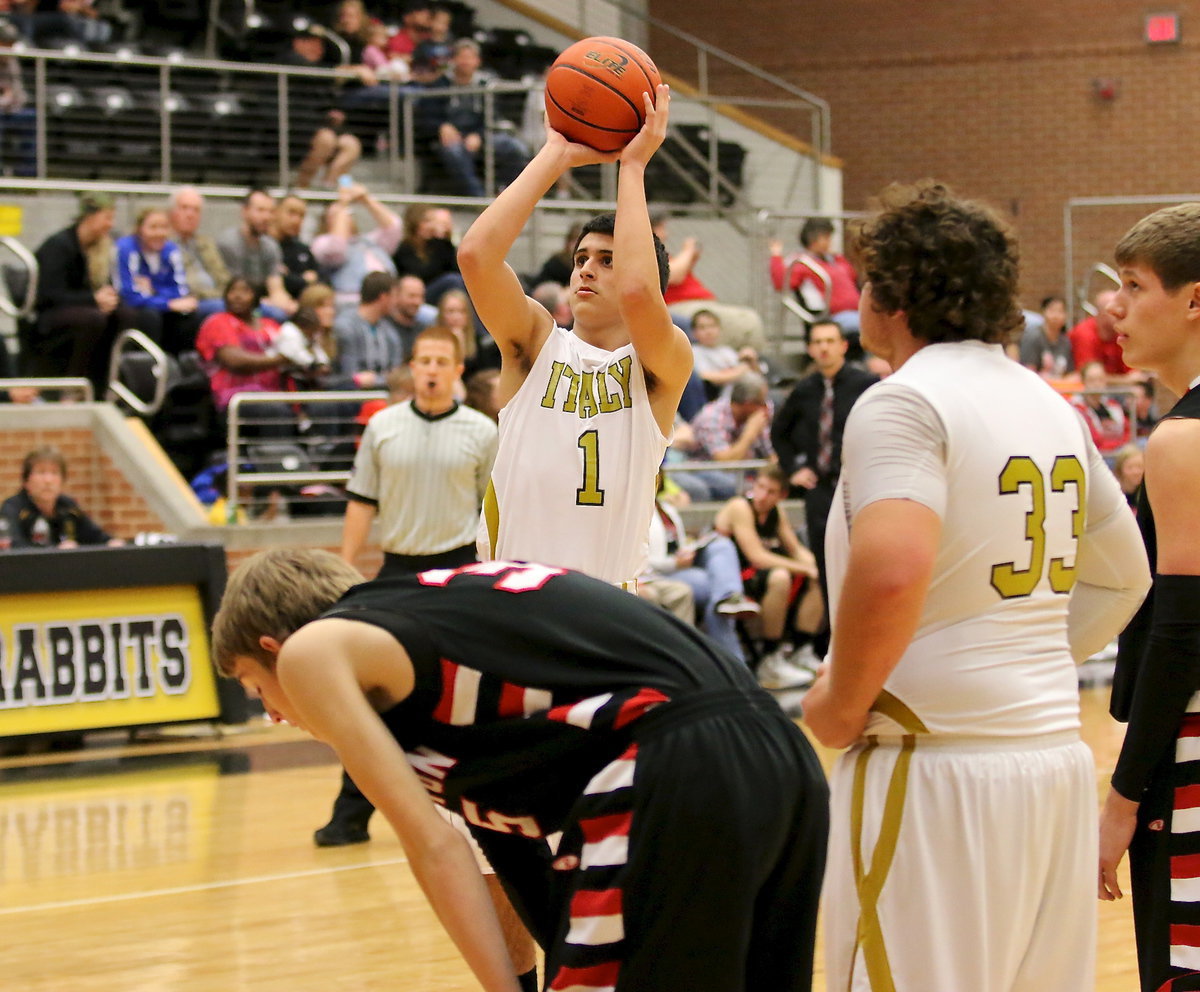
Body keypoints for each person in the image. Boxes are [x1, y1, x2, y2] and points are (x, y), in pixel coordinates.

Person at [801, 181, 1149, 992]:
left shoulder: (903, 401)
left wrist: (841, 701)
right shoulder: (1048, 403)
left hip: (932, 768)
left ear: (892, 296)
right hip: (1050, 765)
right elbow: (1125, 574)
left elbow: (893, 570)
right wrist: (1016, 663)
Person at [212, 549, 829, 992]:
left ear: (273, 648)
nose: (274, 714)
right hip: (778, 751)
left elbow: (434, 848)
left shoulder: (313, 652)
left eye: (256, 688)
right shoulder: (435, 644)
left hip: (676, 755)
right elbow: (513, 853)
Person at [459, 82, 693, 586]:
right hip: (508, 595)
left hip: (605, 608)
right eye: (581, 258)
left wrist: (633, 167)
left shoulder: (662, 362)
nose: (586, 268)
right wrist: (555, 154)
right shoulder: (535, 343)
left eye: (607, 260)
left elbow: (638, 293)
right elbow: (476, 256)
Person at [315, 325, 498, 848]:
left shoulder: (483, 432)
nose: (432, 370)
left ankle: (482, 810)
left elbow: (494, 510)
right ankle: (349, 815)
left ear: (457, 371)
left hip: (458, 573)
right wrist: (345, 569)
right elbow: (361, 502)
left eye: (442, 362)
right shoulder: (383, 427)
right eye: (424, 361)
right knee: (370, 696)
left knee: (468, 693)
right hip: (397, 572)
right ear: (412, 368)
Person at [1098, 201, 1200, 992]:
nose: (1114, 306)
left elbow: (1182, 630)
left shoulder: (1183, 439)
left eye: (1134, 285)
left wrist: (1124, 796)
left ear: (1194, 300)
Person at [770, 318, 877, 649]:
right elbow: (779, 433)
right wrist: (793, 469)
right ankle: (834, 642)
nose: (824, 348)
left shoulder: (866, 384)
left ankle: (866, 637)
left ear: (843, 346)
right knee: (826, 562)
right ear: (809, 349)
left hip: (857, 485)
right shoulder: (804, 390)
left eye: (830, 341)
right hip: (819, 487)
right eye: (817, 342)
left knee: (863, 561)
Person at [715, 464, 822, 688]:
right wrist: (805, 568)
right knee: (780, 577)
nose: (762, 496)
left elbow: (795, 549)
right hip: (730, 579)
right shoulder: (740, 506)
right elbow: (757, 557)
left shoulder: (776, 512)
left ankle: (801, 649)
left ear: (782, 496)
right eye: (760, 487)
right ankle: (769, 658)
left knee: (818, 576)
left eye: (770, 491)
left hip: (755, 575)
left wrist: (817, 567)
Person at [643, 471, 758, 662]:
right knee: (716, 591)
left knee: (721, 544)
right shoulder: (639, 511)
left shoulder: (667, 509)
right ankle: (734, 661)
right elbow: (641, 558)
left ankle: (729, 599)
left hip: (680, 566)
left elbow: (677, 544)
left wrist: (689, 548)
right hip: (658, 574)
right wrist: (673, 563)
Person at [30, 191, 128, 392]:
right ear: (90, 216)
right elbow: (49, 295)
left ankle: (109, 384)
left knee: (125, 315)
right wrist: (93, 299)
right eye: (107, 218)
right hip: (50, 314)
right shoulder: (58, 246)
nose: (110, 224)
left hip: (83, 307)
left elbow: (106, 285)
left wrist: (109, 298)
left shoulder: (100, 247)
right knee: (93, 318)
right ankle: (73, 387)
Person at [651, 213, 767, 351]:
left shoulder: (662, 253)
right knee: (746, 322)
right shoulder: (649, 252)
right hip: (679, 306)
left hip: (698, 303)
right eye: (662, 228)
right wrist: (688, 250)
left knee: (749, 318)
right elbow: (673, 275)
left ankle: (748, 359)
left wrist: (691, 259)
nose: (667, 234)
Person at [194, 276, 292, 436]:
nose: (237, 296)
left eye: (245, 291)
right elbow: (235, 361)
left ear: (257, 296)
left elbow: (295, 349)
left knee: (321, 402)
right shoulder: (218, 322)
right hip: (235, 396)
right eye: (232, 291)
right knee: (275, 409)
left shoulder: (270, 325)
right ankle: (275, 452)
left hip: (275, 391)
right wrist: (282, 359)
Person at [433, 39, 530, 197]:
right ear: (454, 60)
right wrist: (441, 125)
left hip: (481, 134)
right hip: (451, 137)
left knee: (515, 147)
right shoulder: (440, 83)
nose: (465, 62)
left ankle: (505, 192)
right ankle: (480, 199)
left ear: (477, 61)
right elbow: (428, 114)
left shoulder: (486, 84)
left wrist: (479, 135)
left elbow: (492, 116)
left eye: (469, 57)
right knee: (454, 152)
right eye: (462, 57)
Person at [113, 205, 202, 354]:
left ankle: (182, 362)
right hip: (135, 307)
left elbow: (180, 291)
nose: (159, 233)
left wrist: (154, 289)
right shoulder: (126, 248)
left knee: (188, 315)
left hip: (158, 302)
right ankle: (149, 362)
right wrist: (167, 303)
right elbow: (128, 295)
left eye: (164, 227)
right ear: (140, 229)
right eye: (153, 227)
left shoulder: (171, 250)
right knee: (151, 316)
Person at [1, 446, 124, 548]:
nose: (48, 480)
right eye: (41, 472)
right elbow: (13, 546)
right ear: (26, 481)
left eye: (54, 473)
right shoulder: (12, 508)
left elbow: (95, 536)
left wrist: (112, 543)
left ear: (62, 481)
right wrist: (56, 552)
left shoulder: (68, 506)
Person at [312, 180, 403, 311]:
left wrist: (366, 199)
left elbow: (394, 228)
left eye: (348, 214)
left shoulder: (368, 241)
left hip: (391, 302)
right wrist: (343, 204)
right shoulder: (321, 243)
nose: (345, 217)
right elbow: (336, 248)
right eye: (336, 215)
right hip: (353, 305)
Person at [688, 369, 774, 501]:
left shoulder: (756, 415)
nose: (766, 408)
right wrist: (749, 434)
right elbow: (725, 463)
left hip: (744, 470)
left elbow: (770, 454)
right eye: (761, 403)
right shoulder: (712, 417)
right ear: (748, 404)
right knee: (734, 485)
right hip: (705, 468)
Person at [769, 217, 862, 337]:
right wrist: (776, 256)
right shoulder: (803, 263)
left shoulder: (834, 260)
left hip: (857, 312)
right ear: (814, 238)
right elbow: (781, 283)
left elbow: (853, 275)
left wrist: (837, 258)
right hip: (833, 317)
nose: (830, 242)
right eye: (826, 238)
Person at [216, 189, 297, 320]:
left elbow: (276, 287)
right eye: (260, 210)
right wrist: (265, 303)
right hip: (234, 303)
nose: (266, 217)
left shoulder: (271, 246)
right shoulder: (228, 243)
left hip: (260, 303)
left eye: (270, 211)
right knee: (275, 314)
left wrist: (286, 303)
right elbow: (234, 290)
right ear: (244, 211)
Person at [333, 271, 405, 389]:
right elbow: (349, 373)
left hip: (384, 392)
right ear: (383, 297)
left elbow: (397, 373)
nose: (396, 302)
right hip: (352, 393)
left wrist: (377, 380)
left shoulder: (389, 331)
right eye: (394, 296)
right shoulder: (346, 326)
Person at [168, 186, 229, 319]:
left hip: (218, 298)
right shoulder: (164, 244)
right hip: (191, 303)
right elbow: (186, 287)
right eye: (184, 208)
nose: (190, 215)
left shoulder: (207, 243)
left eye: (196, 210)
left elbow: (224, 279)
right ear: (172, 212)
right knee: (227, 309)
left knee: (264, 309)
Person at [391, 202, 464, 303]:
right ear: (414, 223)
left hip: (443, 295)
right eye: (426, 221)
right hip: (417, 296)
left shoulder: (441, 245)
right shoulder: (403, 251)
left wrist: (447, 235)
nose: (431, 226)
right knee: (452, 280)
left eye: (433, 221)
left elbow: (457, 270)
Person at [689, 308, 765, 401]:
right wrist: (741, 370)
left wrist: (752, 361)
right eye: (702, 328)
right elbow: (705, 376)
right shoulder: (694, 352)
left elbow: (758, 375)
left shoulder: (727, 351)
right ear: (694, 332)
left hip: (747, 393)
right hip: (719, 399)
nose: (709, 332)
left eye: (712, 326)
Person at [1072, 359, 1132, 454]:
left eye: (1100, 379)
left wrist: (1122, 447)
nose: (1097, 384)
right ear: (1083, 382)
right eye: (1092, 380)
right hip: (1098, 455)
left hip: (1119, 452)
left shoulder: (1113, 405)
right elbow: (1095, 442)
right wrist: (1118, 446)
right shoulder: (1077, 408)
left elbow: (1128, 432)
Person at [1069, 288, 1132, 377]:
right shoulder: (1085, 334)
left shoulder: (1119, 333)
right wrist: (1126, 380)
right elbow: (1089, 378)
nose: (1121, 316)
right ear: (1101, 314)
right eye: (1115, 312)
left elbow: (1132, 372)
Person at [271, 194, 320, 300]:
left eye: (301, 216)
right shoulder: (263, 246)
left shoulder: (303, 250)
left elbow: (322, 280)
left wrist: (291, 277)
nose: (296, 220)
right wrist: (304, 280)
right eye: (291, 213)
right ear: (275, 212)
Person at [1019, 294, 1074, 378]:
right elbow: (1028, 370)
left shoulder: (1065, 341)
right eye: (1052, 310)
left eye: (1060, 311)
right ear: (1043, 312)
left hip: (1059, 383)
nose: (1056, 316)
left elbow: (1069, 373)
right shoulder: (1033, 336)